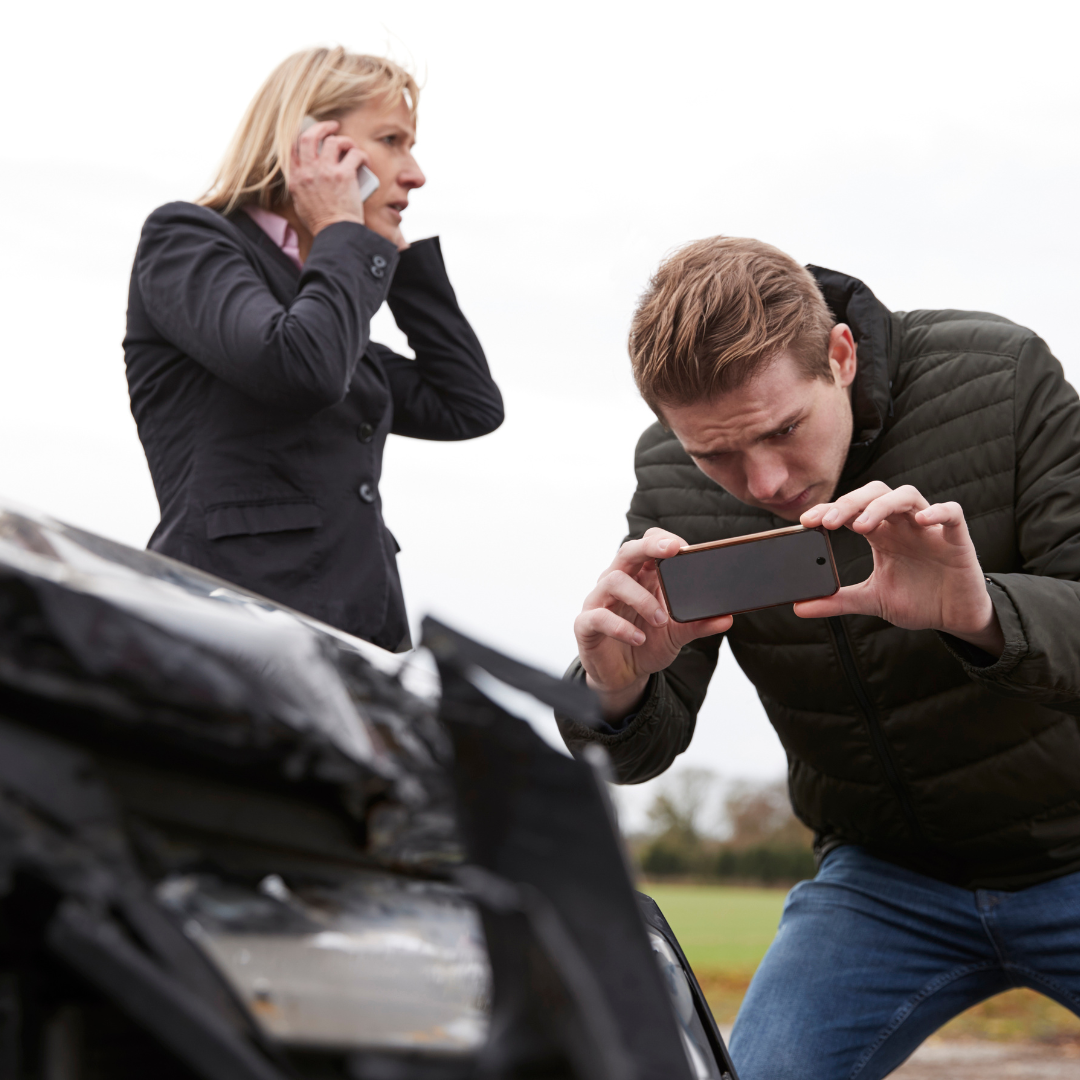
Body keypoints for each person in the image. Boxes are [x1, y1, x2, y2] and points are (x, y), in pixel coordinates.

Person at [559, 237, 1080, 1079]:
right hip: (883, 882)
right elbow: (636, 749)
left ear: (840, 353)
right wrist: (614, 690)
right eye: (715, 453)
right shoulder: (670, 478)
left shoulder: (1004, 377)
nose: (762, 481)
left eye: (783, 430)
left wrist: (984, 615)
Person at [124, 47, 503, 651]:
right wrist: (342, 234)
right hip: (232, 627)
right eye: (392, 139)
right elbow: (301, 370)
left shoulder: (325, 297)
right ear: (310, 142)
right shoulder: (187, 240)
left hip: (363, 634)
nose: (415, 172)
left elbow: (468, 405)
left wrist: (397, 265)